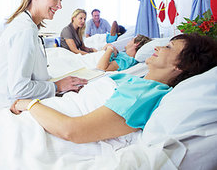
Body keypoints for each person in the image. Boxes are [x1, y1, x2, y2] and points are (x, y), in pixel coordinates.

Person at [11, 34, 217, 143]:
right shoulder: (138, 81)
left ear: (180, 66)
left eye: (169, 48)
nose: (158, 47)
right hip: (49, 112)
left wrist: (29, 103)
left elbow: (72, 130)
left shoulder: (143, 94)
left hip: (42, 123)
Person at [0, 0, 88, 105]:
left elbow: (33, 76)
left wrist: (60, 83)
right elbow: (19, 89)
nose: (60, 6)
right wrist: (57, 86)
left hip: (16, 101)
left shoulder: (29, 26)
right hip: (8, 106)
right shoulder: (24, 30)